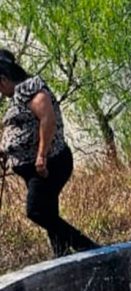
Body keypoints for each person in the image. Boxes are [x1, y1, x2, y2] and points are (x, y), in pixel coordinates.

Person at [0, 51, 97, 258]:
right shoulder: (18, 94)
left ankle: (88, 248)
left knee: (36, 211)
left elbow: (47, 118)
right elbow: (22, 128)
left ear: (3, 79)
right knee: (49, 214)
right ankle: (62, 256)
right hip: (35, 166)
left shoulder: (29, 88)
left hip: (49, 163)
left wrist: (41, 156)